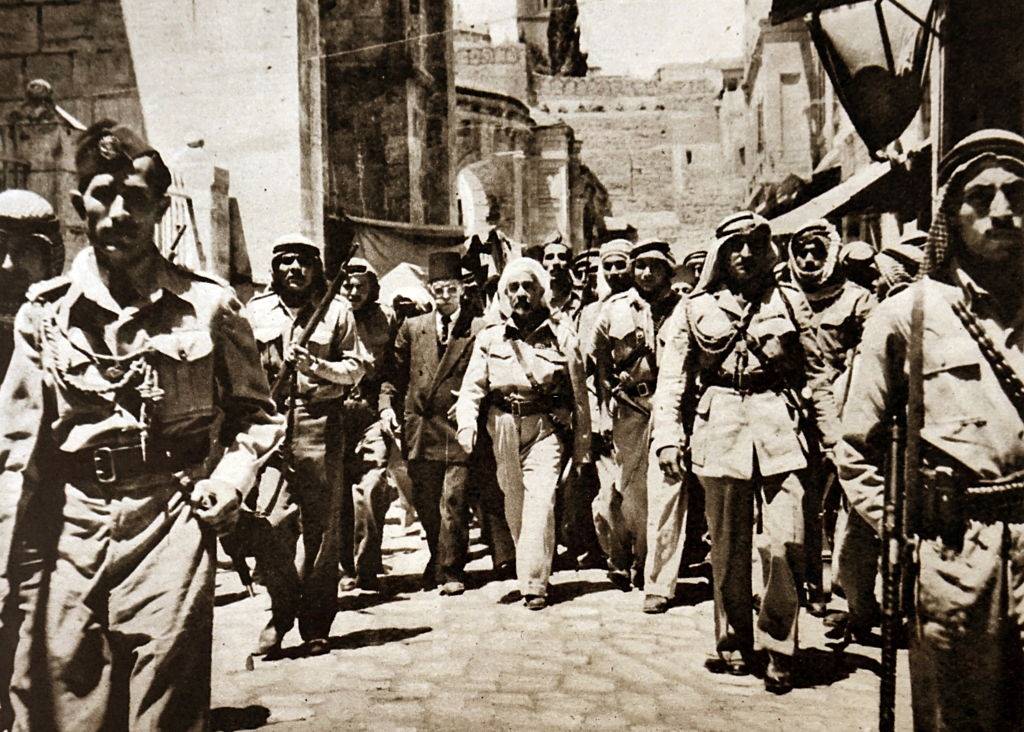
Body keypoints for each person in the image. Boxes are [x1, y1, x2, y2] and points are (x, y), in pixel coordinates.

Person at [0, 120, 284, 730]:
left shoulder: (208, 306)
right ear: (81, 206)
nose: (119, 212)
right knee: (65, 703)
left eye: (136, 199)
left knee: (165, 707)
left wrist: (230, 483)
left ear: (159, 208)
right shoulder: (44, 315)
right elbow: (15, 453)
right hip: (68, 529)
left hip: (170, 519)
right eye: (104, 195)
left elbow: (256, 417)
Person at [837, 129, 1024, 730]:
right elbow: (856, 448)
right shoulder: (909, 315)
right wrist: (901, 532)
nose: (1002, 211)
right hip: (955, 557)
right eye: (981, 196)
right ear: (949, 213)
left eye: (1018, 195)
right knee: (955, 719)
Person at [652, 211, 837, 692]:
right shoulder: (695, 308)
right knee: (728, 545)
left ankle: (780, 645)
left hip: (779, 424)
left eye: (755, 243)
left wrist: (833, 437)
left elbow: (817, 373)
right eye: (736, 244)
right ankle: (733, 640)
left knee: (787, 540)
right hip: (720, 423)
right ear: (720, 253)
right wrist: (668, 436)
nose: (746, 253)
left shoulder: (791, 301)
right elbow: (672, 379)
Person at [245, 235, 369, 656]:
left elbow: (356, 369)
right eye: (285, 262)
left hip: (321, 425)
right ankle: (281, 612)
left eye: (303, 261)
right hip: (273, 426)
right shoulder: (256, 311)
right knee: (270, 524)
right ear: (275, 268)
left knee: (321, 530)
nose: (294, 269)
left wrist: (318, 367)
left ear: (316, 268)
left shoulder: (336, 313)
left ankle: (315, 622)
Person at [455, 257, 591, 610]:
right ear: (504, 294)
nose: (521, 294)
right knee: (515, 504)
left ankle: (534, 584)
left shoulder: (562, 336)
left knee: (540, 502)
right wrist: (467, 425)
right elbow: (473, 387)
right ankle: (530, 566)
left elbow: (580, 397)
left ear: (540, 291)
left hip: (545, 428)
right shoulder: (490, 338)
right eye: (513, 288)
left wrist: (582, 449)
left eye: (528, 287)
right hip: (502, 427)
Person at [381, 251, 513, 595]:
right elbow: (392, 375)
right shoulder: (412, 328)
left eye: (450, 289)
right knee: (426, 502)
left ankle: (452, 570)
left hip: (457, 428)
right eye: (438, 289)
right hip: (420, 428)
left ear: (462, 290)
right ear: (429, 290)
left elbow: (492, 374)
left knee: (453, 498)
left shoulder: (479, 327)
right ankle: (438, 558)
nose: (444, 296)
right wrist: (386, 407)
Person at [784, 220, 876, 616]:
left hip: (842, 416)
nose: (808, 259)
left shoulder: (857, 301)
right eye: (802, 251)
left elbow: (871, 358)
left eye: (817, 252)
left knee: (843, 500)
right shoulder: (781, 299)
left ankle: (845, 586)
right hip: (790, 416)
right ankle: (807, 584)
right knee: (798, 501)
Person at [0, 189, 64, 729]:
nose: (7, 263)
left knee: (31, 663)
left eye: (27, 249)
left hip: (45, 523)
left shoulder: (68, 327)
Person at [591, 239, 682, 609]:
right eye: (640, 266)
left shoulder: (685, 307)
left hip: (672, 407)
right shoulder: (614, 309)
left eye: (654, 267)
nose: (645, 273)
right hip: (630, 409)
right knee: (633, 494)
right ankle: (640, 559)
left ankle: (658, 584)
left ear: (667, 270)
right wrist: (605, 402)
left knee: (668, 491)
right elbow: (595, 359)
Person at [336, 257, 401, 591]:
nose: (353, 291)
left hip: (370, 413)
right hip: (333, 413)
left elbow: (393, 366)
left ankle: (367, 564)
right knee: (338, 496)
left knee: (372, 487)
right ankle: (345, 566)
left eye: (361, 285)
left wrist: (388, 406)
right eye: (348, 284)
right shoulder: (330, 316)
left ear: (373, 288)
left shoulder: (386, 317)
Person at [542, 238, 582, 320]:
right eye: (549, 257)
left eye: (562, 257)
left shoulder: (579, 301)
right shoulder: (536, 301)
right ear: (541, 263)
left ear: (570, 264)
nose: (556, 262)